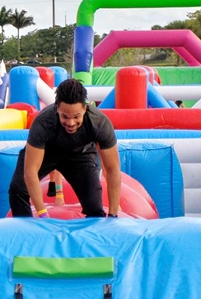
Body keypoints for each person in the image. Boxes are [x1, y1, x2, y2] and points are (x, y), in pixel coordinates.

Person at [9, 79, 121, 218]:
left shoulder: (99, 123)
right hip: (47, 153)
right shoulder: (43, 122)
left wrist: (113, 214)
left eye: (76, 116)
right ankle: (27, 233)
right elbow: (30, 171)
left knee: (94, 207)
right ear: (57, 108)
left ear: (85, 109)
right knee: (17, 189)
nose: (71, 122)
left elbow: (112, 170)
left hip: (80, 155)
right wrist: (43, 214)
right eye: (65, 116)